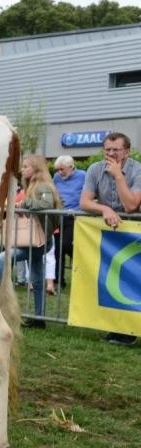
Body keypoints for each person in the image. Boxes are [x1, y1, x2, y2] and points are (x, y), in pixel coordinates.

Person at [80, 132, 141, 346]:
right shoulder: (94, 169)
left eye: (116, 150)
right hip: (110, 235)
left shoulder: (137, 170)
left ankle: (130, 329)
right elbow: (85, 202)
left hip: (135, 234)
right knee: (112, 279)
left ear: (127, 151)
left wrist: (118, 175)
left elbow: (131, 206)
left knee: (133, 282)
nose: (111, 154)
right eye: (107, 150)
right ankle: (117, 328)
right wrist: (104, 208)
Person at [0, 154, 63, 328]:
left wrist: (23, 204)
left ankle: (9, 306)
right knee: (37, 276)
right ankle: (38, 317)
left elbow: (46, 204)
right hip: (37, 239)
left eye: (26, 166)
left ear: (36, 168)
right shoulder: (33, 185)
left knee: (3, 259)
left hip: (39, 240)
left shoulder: (41, 185)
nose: (22, 169)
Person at [52, 155, 86, 289]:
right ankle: (59, 280)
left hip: (74, 216)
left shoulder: (83, 175)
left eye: (62, 169)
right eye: (58, 170)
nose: (59, 172)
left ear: (71, 167)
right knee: (57, 249)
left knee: (67, 244)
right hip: (58, 216)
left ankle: (80, 271)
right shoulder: (56, 177)